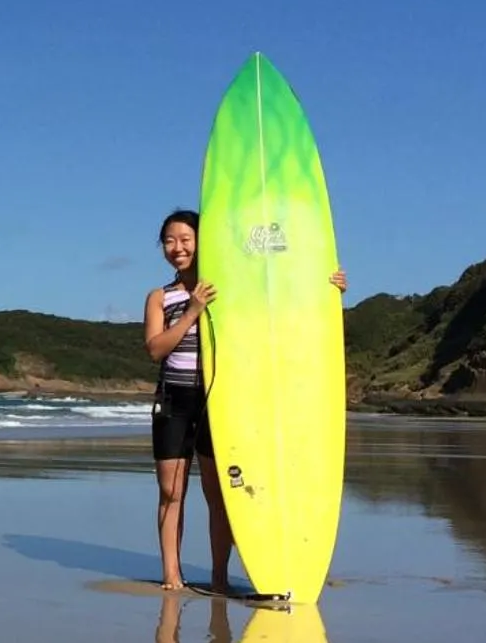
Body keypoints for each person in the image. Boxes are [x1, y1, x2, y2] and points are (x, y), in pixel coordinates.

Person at [143, 210, 345, 591]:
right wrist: (192, 311)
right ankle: (172, 574)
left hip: (221, 401)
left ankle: (219, 577)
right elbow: (156, 349)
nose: (177, 248)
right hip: (174, 401)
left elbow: (281, 304)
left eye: (185, 239)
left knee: (220, 495)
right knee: (171, 492)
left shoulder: (229, 291)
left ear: (203, 241)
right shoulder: (159, 297)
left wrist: (328, 287)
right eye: (169, 241)